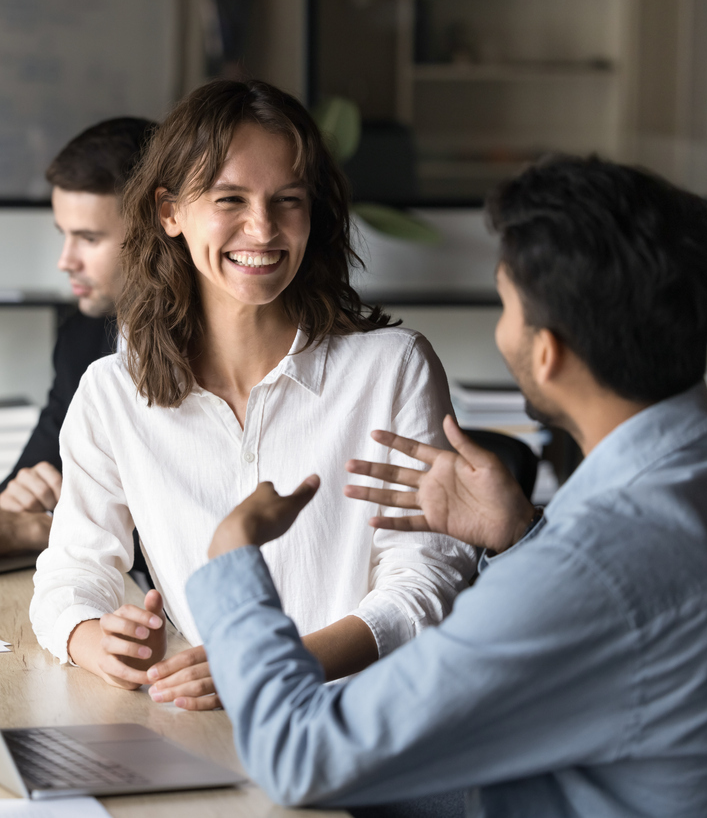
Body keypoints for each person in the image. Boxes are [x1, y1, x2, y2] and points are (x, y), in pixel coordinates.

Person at [187, 156, 707, 815]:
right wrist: (521, 537)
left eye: (505, 304)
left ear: (547, 352)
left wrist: (232, 560)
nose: (500, 328)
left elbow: (298, 758)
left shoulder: (591, 565)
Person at [29, 79, 477, 710]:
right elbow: (72, 569)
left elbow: (426, 581)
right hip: (205, 723)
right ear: (170, 213)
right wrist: (89, 637)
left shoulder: (392, 368)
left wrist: (277, 665)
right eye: (230, 198)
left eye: (287, 200)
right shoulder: (113, 392)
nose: (262, 228)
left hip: (367, 723)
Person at [0, 117, 156, 557]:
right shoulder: (82, 339)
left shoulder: (221, 346)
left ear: (158, 235)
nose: (65, 261)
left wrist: (35, 531)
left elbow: (192, 528)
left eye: (88, 238)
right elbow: (18, 492)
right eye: (63, 235)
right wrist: (13, 506)